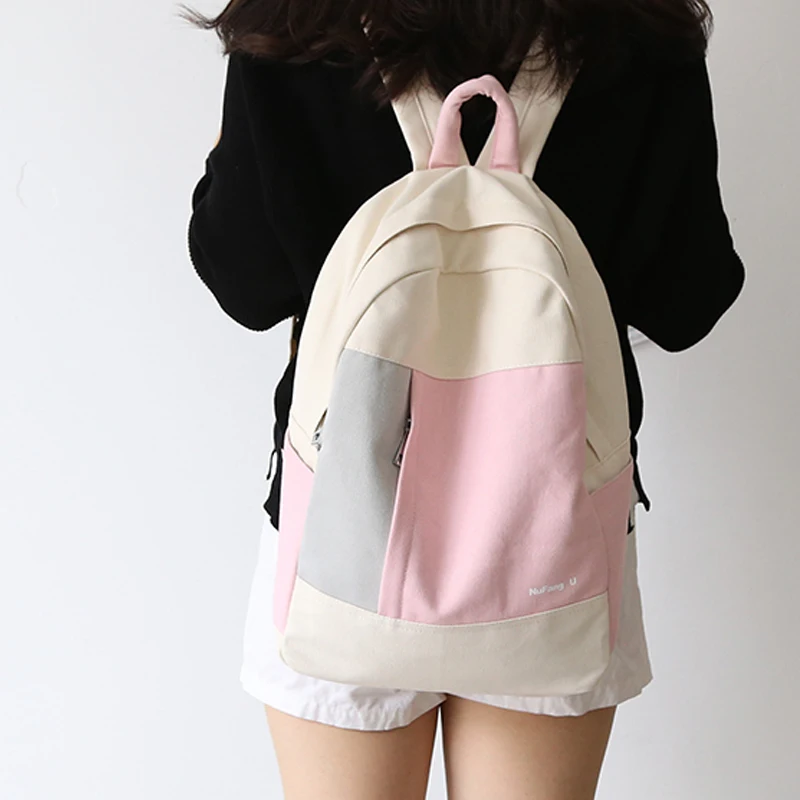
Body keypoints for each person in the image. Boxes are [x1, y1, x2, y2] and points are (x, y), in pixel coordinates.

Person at [186, 1, 745, 797]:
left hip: (341, 527)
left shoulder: (298, 23)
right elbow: (686, 301)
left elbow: (244, 281)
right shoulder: (637, 26)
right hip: (553, 533)